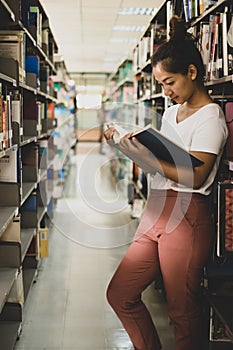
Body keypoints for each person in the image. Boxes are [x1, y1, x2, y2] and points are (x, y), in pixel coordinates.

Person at [104, 16, 228, 350]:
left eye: (169, 82)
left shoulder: (212, 117)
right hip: (156, 208)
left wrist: (153, 159)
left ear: (191, 72)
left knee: (182, 313)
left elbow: (196, 175)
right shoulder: (171, 113)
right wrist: (129, 150)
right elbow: (163, 168)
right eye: (160, 84)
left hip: (188, 217)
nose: (166, 91)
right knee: (120, 293)